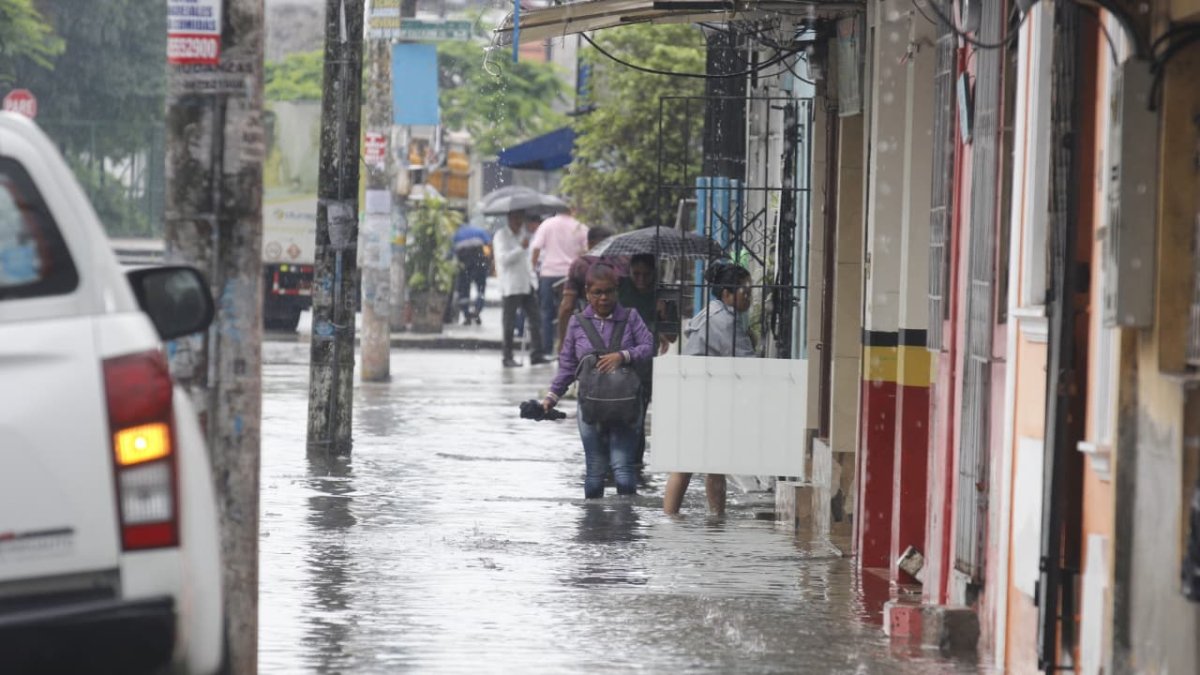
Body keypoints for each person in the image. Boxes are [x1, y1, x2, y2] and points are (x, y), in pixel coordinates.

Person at [543, 263, 655, 499]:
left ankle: (626, 521)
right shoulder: (577, 322)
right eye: (597, 292)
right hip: (590, 405)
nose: (603, 298)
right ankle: (593, 520)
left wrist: (623, 356)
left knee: (623, 468)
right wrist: (552, 397)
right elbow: (567, 365)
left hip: (626, 405)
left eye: (609, 292)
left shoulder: (631, 318)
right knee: (594, 470)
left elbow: (648, 347)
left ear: (617, 291)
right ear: (587, 293)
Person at [663, 260, 754, 516]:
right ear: (727, 294)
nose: (749, 297)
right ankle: (702, 518)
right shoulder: (724, 321)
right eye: (745, 291)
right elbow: (747, 361)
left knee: (705, 463)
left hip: (697, 394)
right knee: (694, 464)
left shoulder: (711, 312)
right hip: (706, 397)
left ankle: (704, 519)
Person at [493, 209, 549, 368]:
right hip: (511, 285)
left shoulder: (525, 235)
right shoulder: (501, 236)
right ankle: (507, 356)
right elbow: (503, 259)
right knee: (509, 323)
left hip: (527, 283)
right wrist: (520, 248)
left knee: (535, 319)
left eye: (521, 219)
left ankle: (537, 354)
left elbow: (529, 257)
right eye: (516, 218)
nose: (519, 222)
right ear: (509, 219)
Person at [530, 208, 589, 354]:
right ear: (572, 210)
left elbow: (536, 248)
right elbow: (587, 251)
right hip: (571, 276)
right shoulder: (580, 227)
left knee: (546, 312)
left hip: (549, 274)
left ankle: (547, 348)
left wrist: (532, 269)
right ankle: (567, 347)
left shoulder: (547, 224)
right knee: (570, 312)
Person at [554, 226, 615, 351]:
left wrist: (563, 341)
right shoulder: (621, 263)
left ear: (590, 243)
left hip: (591, 331)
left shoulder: (580, 265)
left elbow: (567, 307)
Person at [451, 220, 491, 325]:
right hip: (479, 261)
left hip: (464, 263)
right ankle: (477, 310)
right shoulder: (479, 231)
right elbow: (488, 244)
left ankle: (466, 314)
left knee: (464, 289)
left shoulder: (456, 234)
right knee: (481, 288)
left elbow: (451, 252)